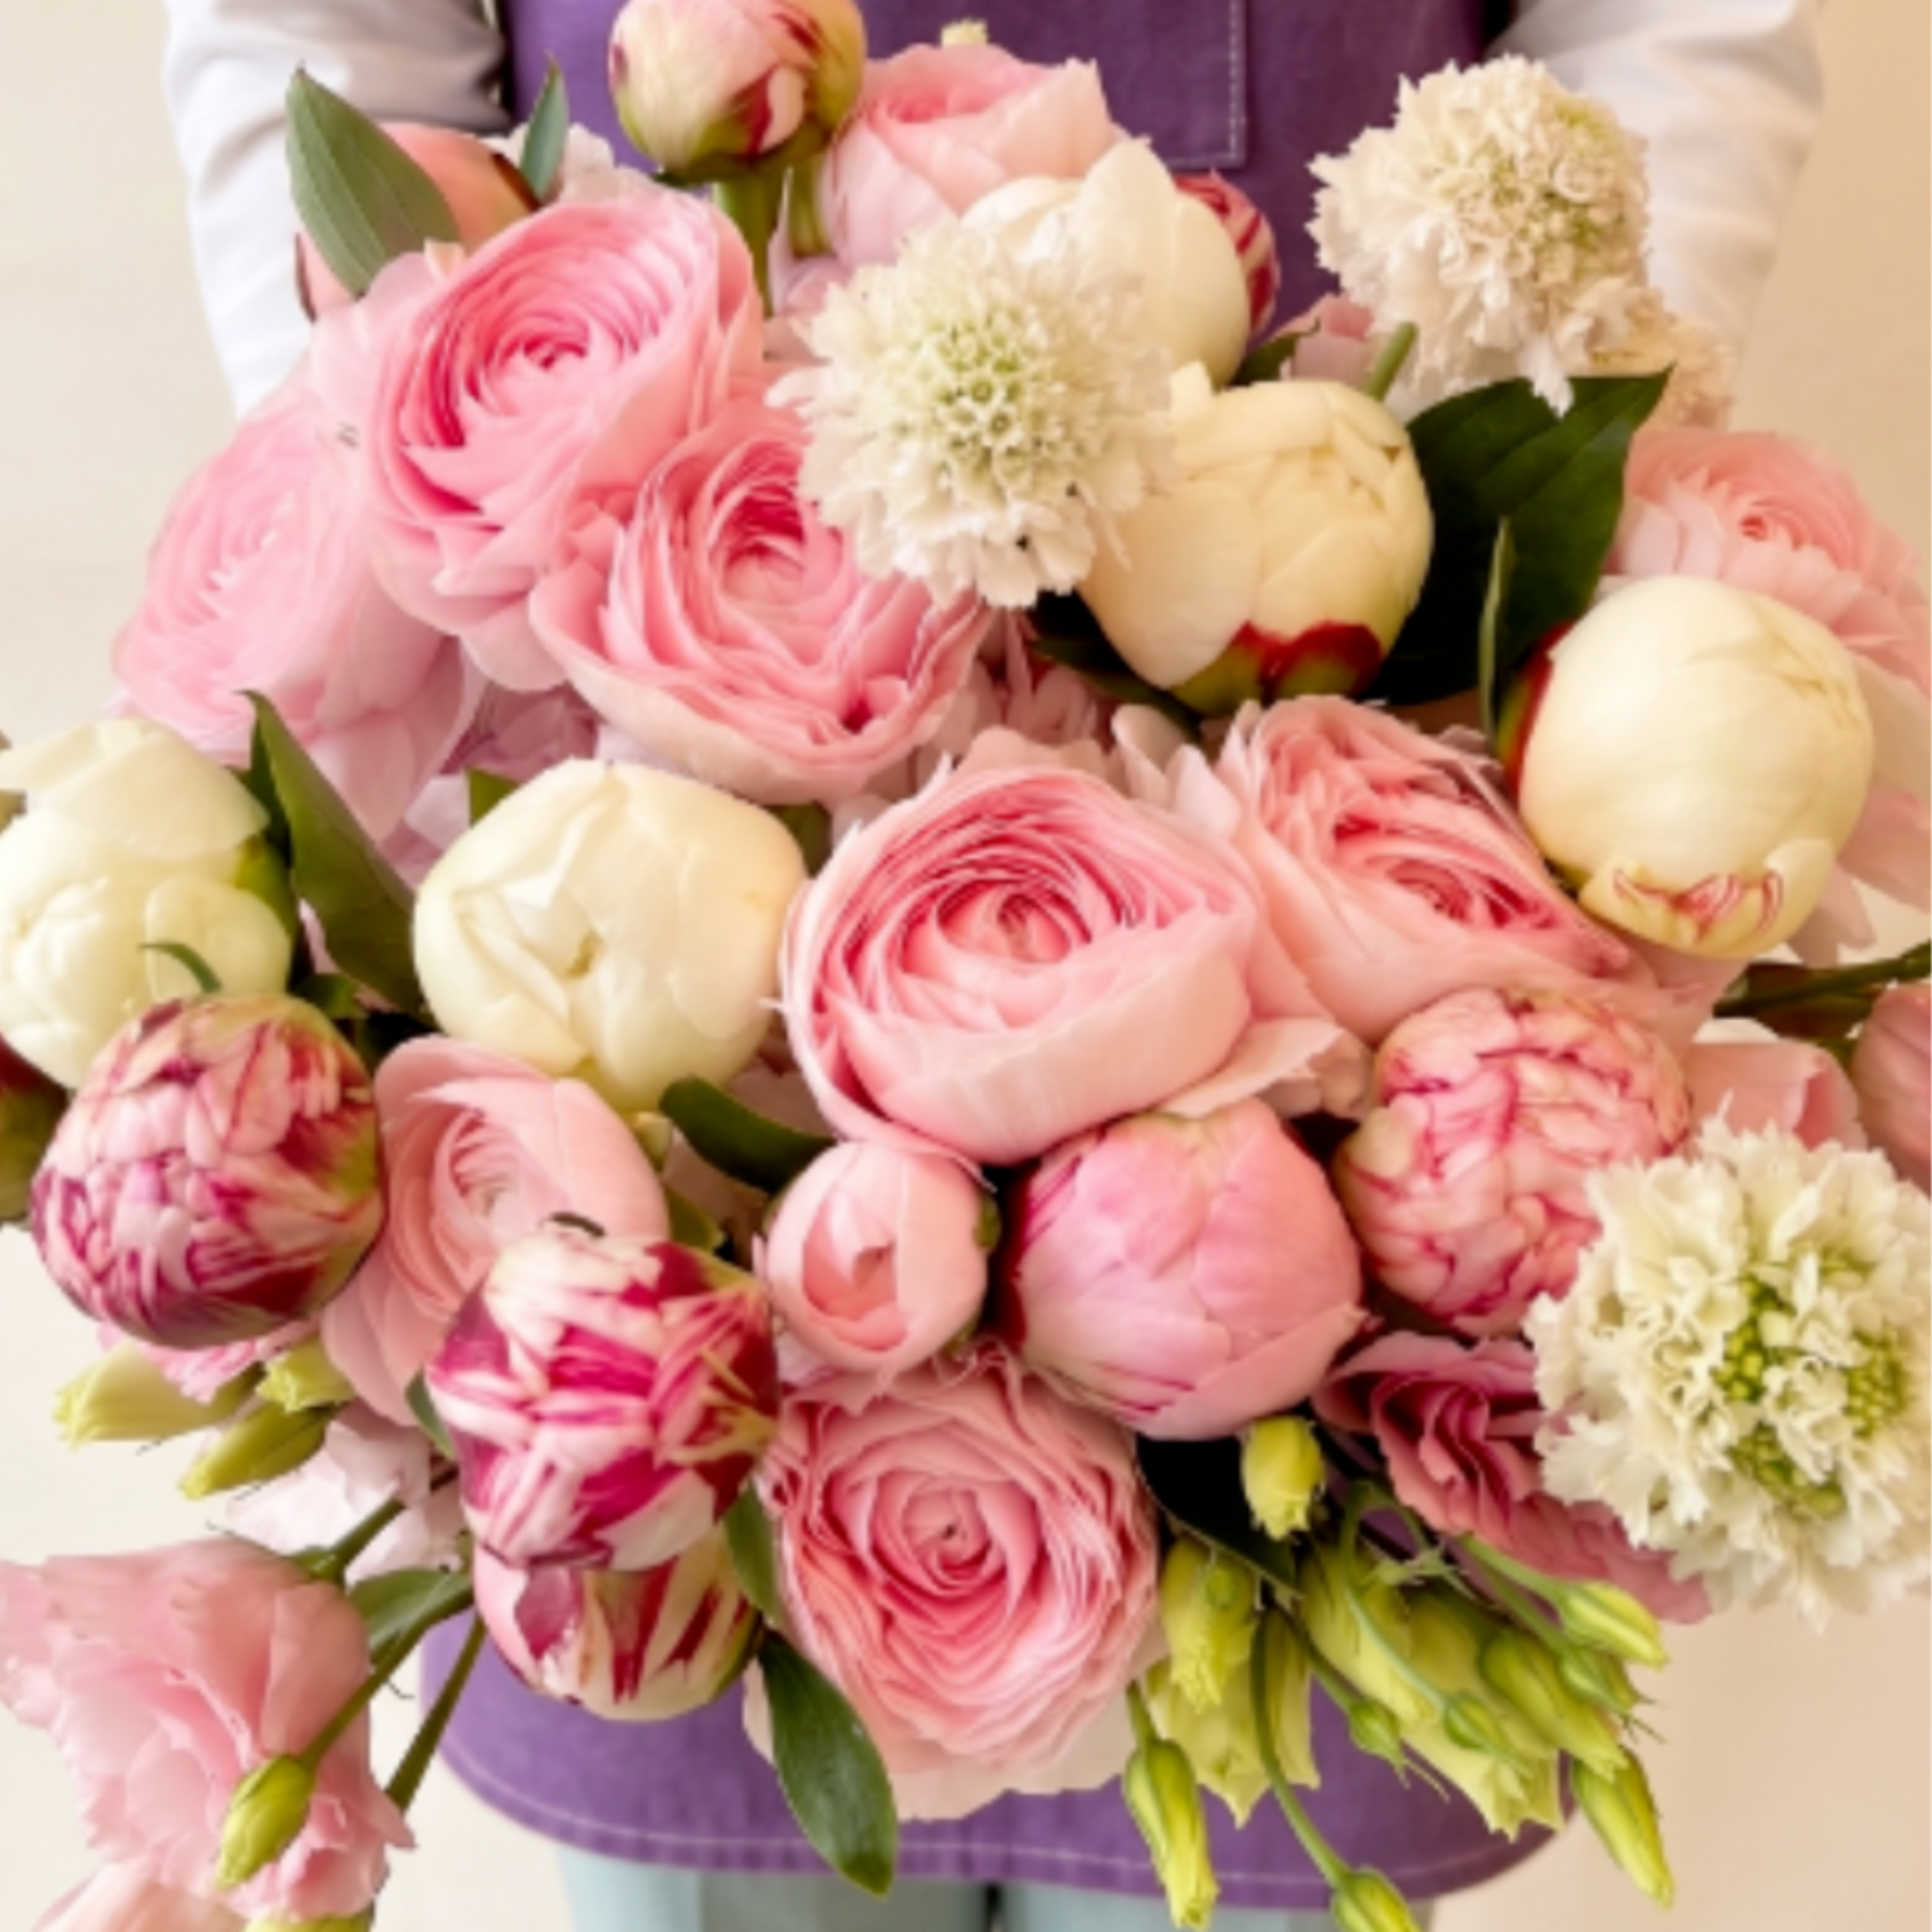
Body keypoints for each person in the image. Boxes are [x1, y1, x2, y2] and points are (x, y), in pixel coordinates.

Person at [155, 4, 1825, 1928]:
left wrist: (1526, 439)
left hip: (1376, 717)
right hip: (614, 758)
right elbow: (315, 47)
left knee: (1259, 1775)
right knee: (709, 1738)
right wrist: (424, 540)